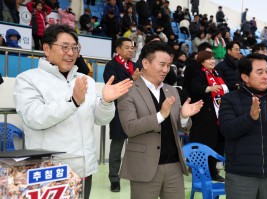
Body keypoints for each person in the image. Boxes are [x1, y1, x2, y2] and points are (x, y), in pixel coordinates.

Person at [13, 24, 133, 199]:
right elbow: (34, 117)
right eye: (65, 47)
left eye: (75, 48)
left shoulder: (86, 81)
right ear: (46, 48)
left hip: (85, 169)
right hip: (51, 172)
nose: (71, 53)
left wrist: (106, 102)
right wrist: (73, 102)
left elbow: (101, 119)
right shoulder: (28, 79)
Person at [117, 41, 204, 199]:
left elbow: (182, 127)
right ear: (145, 63)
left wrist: (184, 117)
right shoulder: (128, 90)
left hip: (174, 166)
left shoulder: (172, 90)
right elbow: (129, 127)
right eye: (162, 64)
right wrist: (160, 115)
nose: (166, 70)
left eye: (169, 65)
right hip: (144, 167)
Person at [219, 53, 267, 199]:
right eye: (259, 72)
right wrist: (250, 117)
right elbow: (227, 131)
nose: (266, 76)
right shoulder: (230, 99)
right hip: (241, 176)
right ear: (245, 77)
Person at [103, 37, 142, 192]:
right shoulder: (111, 65)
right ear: (118, 49)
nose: (131, 50)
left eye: (132, 48)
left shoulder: (136, 65)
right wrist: (132, 79)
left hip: (137, 110)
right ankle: (114, 179)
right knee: (117, 146)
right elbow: (112, 86)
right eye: (127, 47)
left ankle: (136, 175)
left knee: (137, 145)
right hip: (119, 110)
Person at [189, 50, 228, 182]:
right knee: (206, 145)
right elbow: (194, 88)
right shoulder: (198, 73)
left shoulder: (217, 73)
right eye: (209, 59)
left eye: (213, 59)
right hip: (205, 117)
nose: (212, 61)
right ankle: (202, 173)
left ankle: (214, 171)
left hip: (219, 115)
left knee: (217, 145)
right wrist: (208, 88)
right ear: (202, 61)